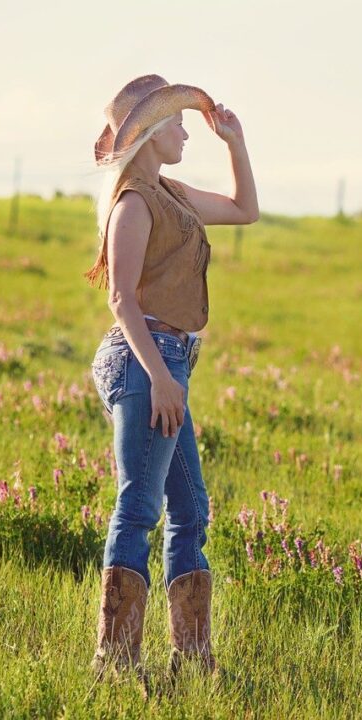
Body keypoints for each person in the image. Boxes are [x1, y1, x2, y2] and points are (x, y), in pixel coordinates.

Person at [83, 74, 258, 687]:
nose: (188, 130)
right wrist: (161, 378)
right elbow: (120, 299)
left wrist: (235, 142)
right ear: (154, 134)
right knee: (139, 506)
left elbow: (245, 210)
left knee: (189, 508)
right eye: (179, 123)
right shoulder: (132, 203)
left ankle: (191, 659)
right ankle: (117, 662)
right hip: (144, 360)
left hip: (168, 361)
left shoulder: (172, 192)